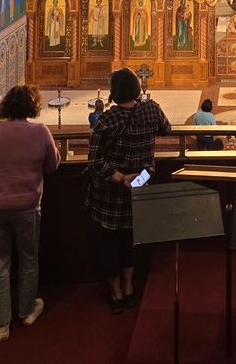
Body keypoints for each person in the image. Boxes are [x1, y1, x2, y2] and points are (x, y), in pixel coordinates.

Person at [0, 85, 60, 341]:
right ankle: (27, 311)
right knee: (29, 260)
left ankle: (1, 325)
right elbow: (52, 165)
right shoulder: (40, 131)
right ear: (33, 106)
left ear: (6, 105)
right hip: (27, 207)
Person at [86, 68, 170, 313]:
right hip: (140, 185)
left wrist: (121, 177)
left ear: (114, 92)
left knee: (109, 244)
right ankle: (130, 288)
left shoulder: (107, 120)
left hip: (111, 194)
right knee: (130, 241)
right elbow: (167, 129)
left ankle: (117, 293)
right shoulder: (151, 109)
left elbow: (94, 163)